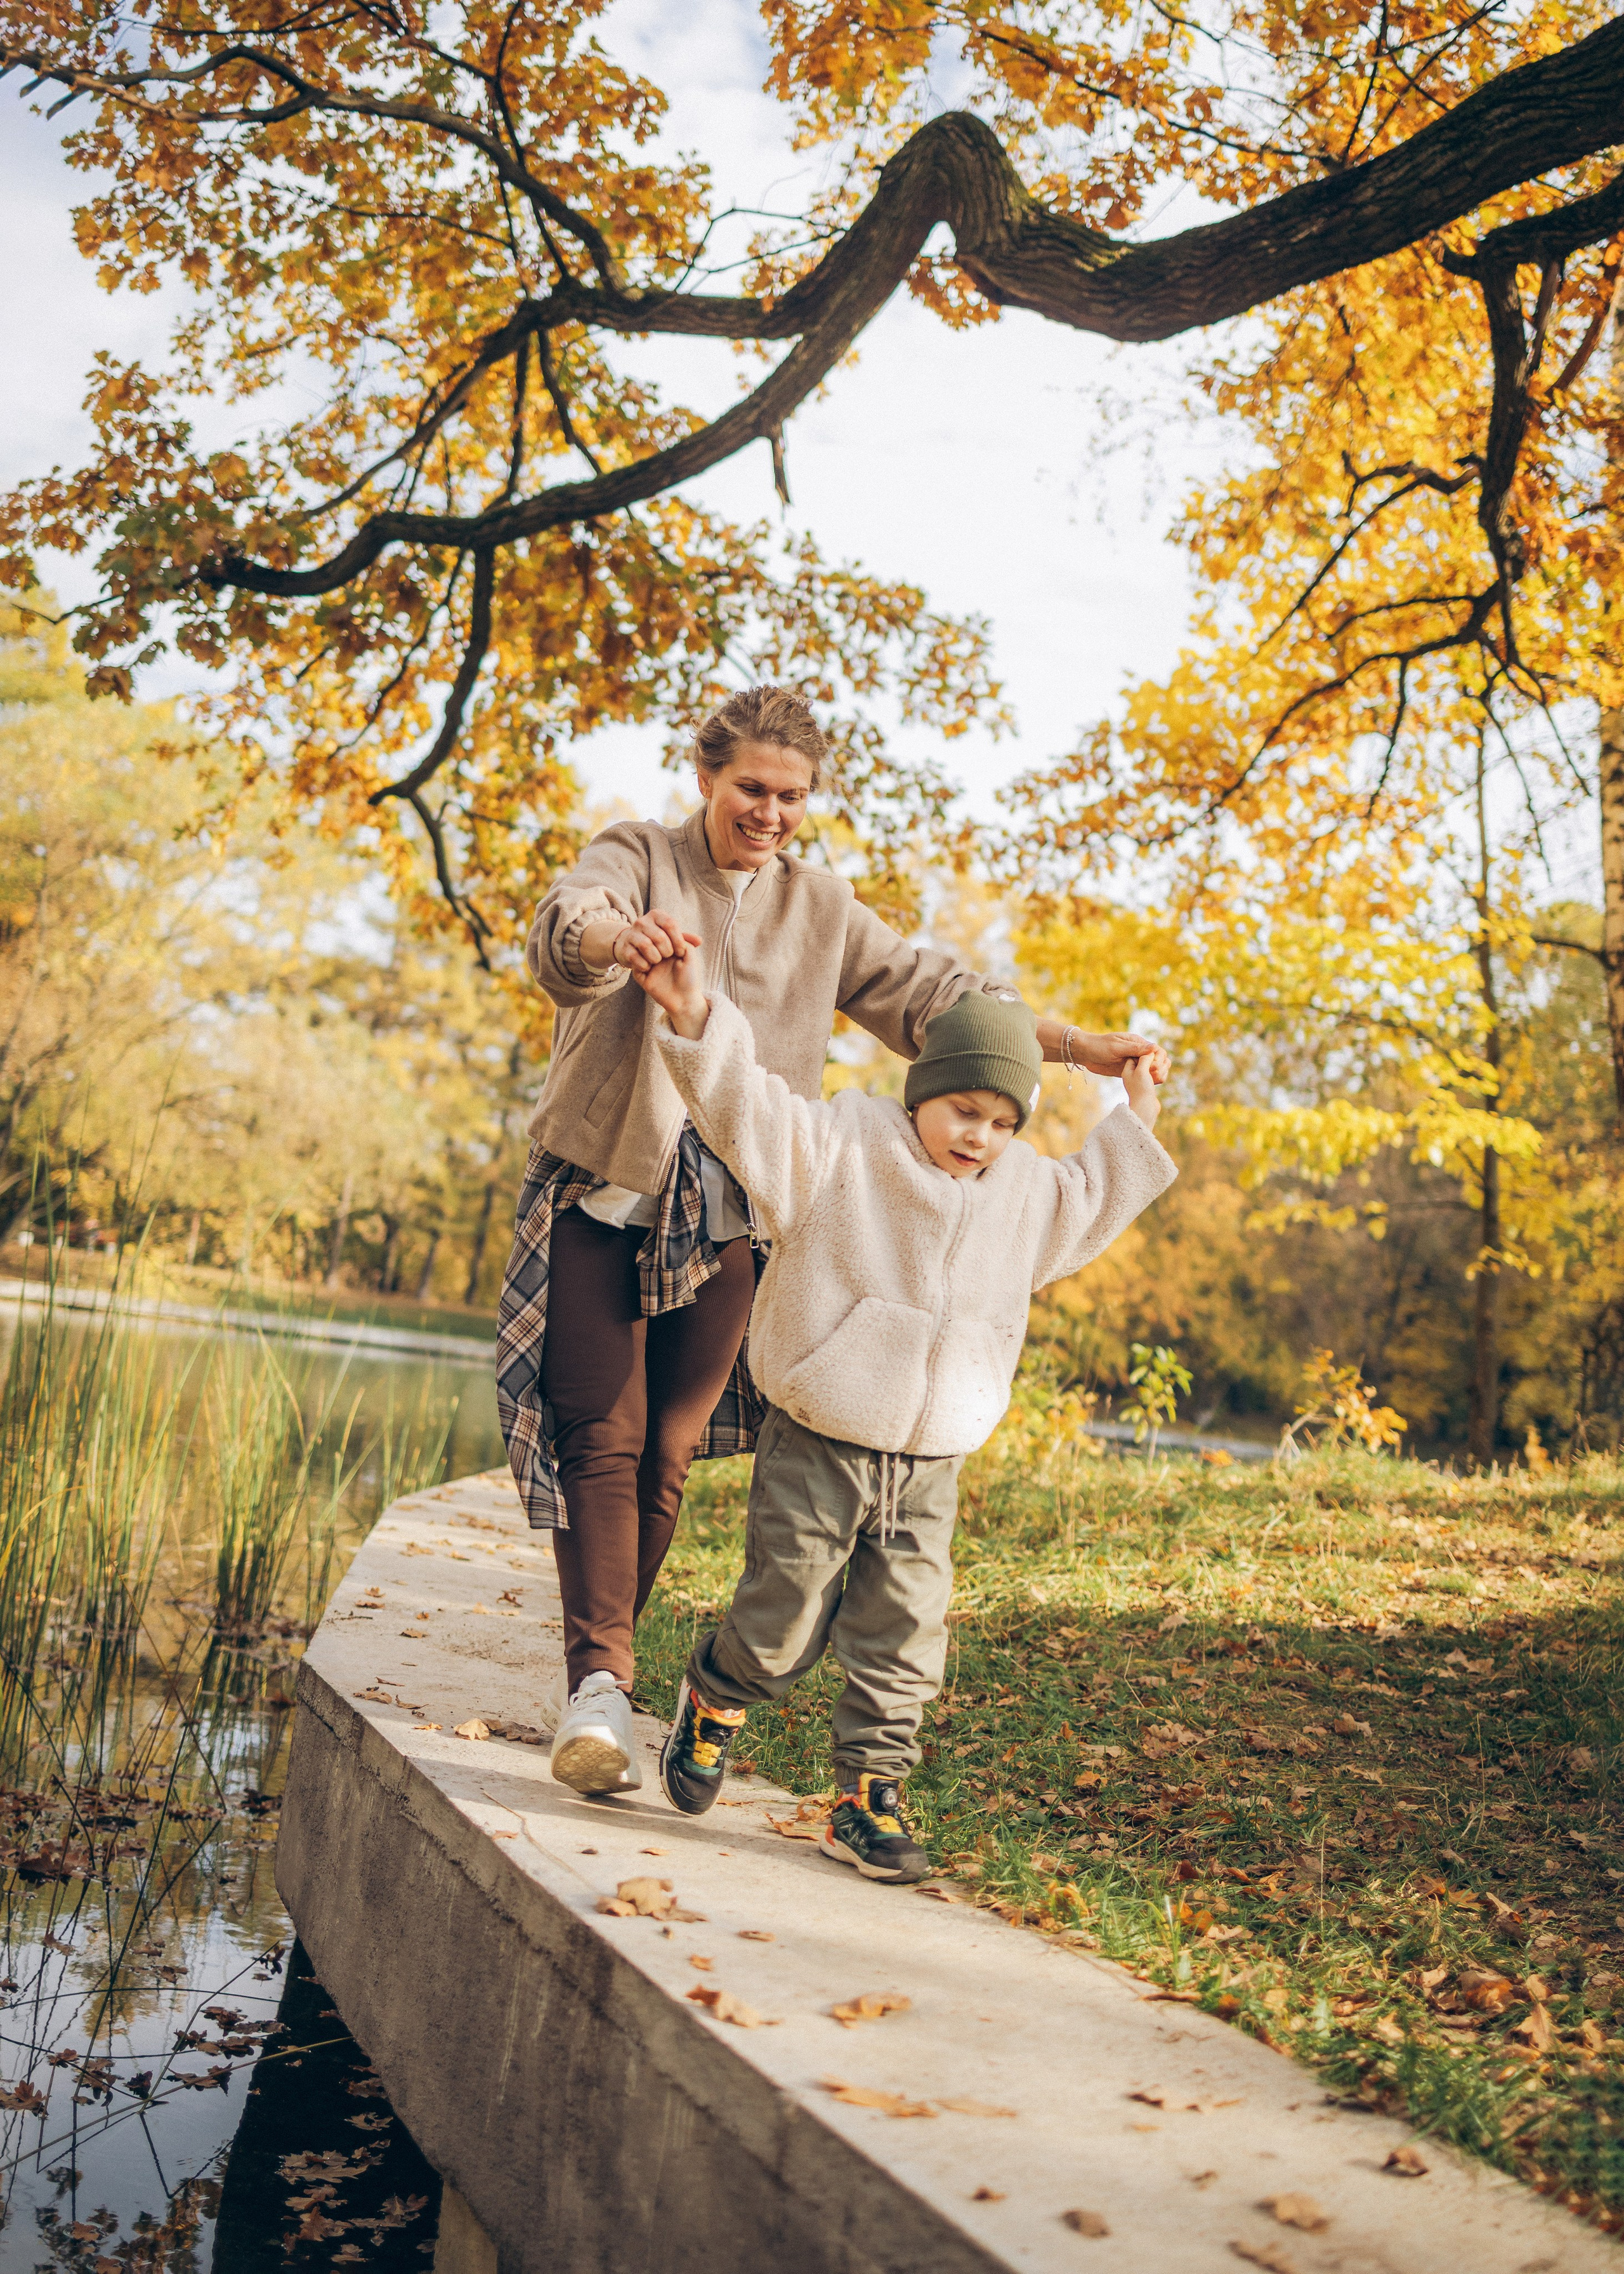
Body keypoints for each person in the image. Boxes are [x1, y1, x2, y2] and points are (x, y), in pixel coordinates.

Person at [497, 683, 1163, 1799]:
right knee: (598, 1438)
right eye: (750, 788)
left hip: (735, 1206)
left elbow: (944, 998)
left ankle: (601, 1669)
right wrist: (631, 939)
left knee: (666, 1453)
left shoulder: (823, 908)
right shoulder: (642, 854)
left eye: (792, 796)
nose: (770, 812)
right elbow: (568, 929)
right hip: (608, 1184)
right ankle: (601, 1685)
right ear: (706, 778)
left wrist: (1071, 1046)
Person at [636, 952, 1176, 1881]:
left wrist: (1135, 1119)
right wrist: (696, 1021)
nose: (982, 1136)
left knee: (905, 1636)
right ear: (924, 1089)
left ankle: (867, 1796)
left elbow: (1094, 1195)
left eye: (1005, 1122)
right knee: (780, 1626)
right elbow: (748, 1112)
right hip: (822, 1434)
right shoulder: (844, 1147)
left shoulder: (1023, 1194)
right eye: (966, 1110)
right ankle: (716, 1698)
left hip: (931, 1461)